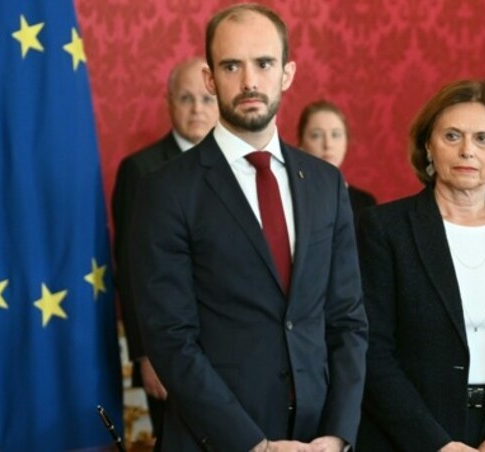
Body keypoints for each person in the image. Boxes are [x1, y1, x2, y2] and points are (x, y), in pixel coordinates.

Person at [129, 4, 367, 451]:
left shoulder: (325, 183)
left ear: (287, 73)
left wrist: (335, 437)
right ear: (209, 78)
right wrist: (254, 446)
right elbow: (171, 341)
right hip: (217, 441)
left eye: (264, 63)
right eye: (231, 65)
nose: (249, 81)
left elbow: (348, 322)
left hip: (318, 439)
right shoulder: (165, 190)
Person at [356, 79, 485, 452]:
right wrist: (436, 444)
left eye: (483, 139)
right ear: (428, 147)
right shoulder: (384, 229)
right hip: (410, 438)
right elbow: (372, 352)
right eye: (452, 136)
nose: (467, 150)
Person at [111, 56, 219, 440]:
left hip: (229, 349)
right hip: (168, 350)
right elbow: (132, 268)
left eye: (207, 100)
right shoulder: (141, 170)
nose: (197, 109)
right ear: (169, 102)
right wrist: (145, 354)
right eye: (186, 98)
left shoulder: (237, 167)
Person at [297, 100, 376, 222]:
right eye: (316, 135)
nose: (328, 144)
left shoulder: (365, 203)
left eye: (336, 135)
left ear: (346, 142)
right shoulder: (291, 197)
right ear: (301, 144)